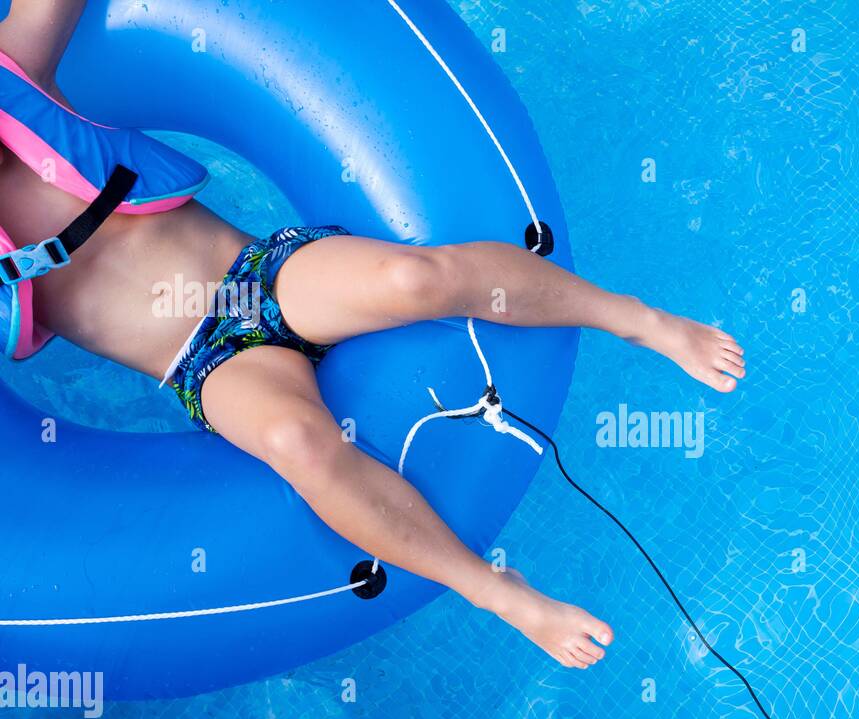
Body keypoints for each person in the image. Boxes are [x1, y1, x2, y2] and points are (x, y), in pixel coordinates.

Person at [0, 0, 744, 669]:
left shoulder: (17, 77)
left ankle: (641, 321)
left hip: (262, 276)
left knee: (415, 282)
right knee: (298, 446)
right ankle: (495, 591)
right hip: (200, 363)